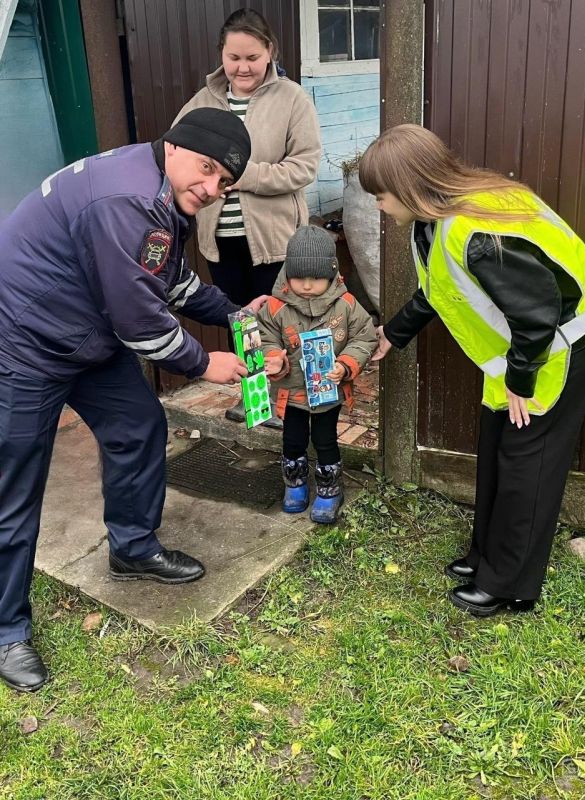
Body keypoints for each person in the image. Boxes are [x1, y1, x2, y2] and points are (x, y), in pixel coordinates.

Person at [0, 108, 269, 692]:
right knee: (16, 481)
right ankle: (6, 630)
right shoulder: (128, 199)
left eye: (224, 182)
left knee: (139, 425)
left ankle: (133, 548)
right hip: (24, 341)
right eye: (207, 169)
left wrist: (233, 313)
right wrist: (205, 364)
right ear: (175, 146)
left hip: (83, 332)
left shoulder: (161, 193)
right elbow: (140, 320)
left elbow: (169, 280)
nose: (211, 188)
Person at [360, 124, 585, 617]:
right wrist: (394, 333)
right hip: (533, 346)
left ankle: (510, 585)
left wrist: (520, 381)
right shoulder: (437, 220)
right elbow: (441, 288)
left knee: (529, 463)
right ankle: (485, 557)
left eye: (381, 195)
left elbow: (538, 314)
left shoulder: (476, 234)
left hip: (564, 344)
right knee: (497, 448)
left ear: (409, 187)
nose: (379, 206)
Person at [174, 8, 321, 426]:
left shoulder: (292, 98)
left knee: (281, 318)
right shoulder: (203, 102)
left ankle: (289, 399)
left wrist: (245, 175)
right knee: (242, 321)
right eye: (233, 57)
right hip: (222, 241)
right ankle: (255, 400)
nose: (242, 67)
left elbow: (305, 166)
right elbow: (176, 154)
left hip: (275, 239)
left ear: (270, 51)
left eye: (252, 57)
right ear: (221, 54)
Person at [257, 226, 377, 524]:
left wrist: (346, 364)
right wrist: (273, 358)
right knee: (292, 438)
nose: (307, 285)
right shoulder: (275, 306)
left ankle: (329, 489)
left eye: (316, 278)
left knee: (325, 440)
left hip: (328, 391)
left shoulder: (346, 305)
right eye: (299, 277)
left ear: (332, 274)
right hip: (291, 391)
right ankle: (295, 484)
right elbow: (264, 336)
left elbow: (364, 336)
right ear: (288, 272)